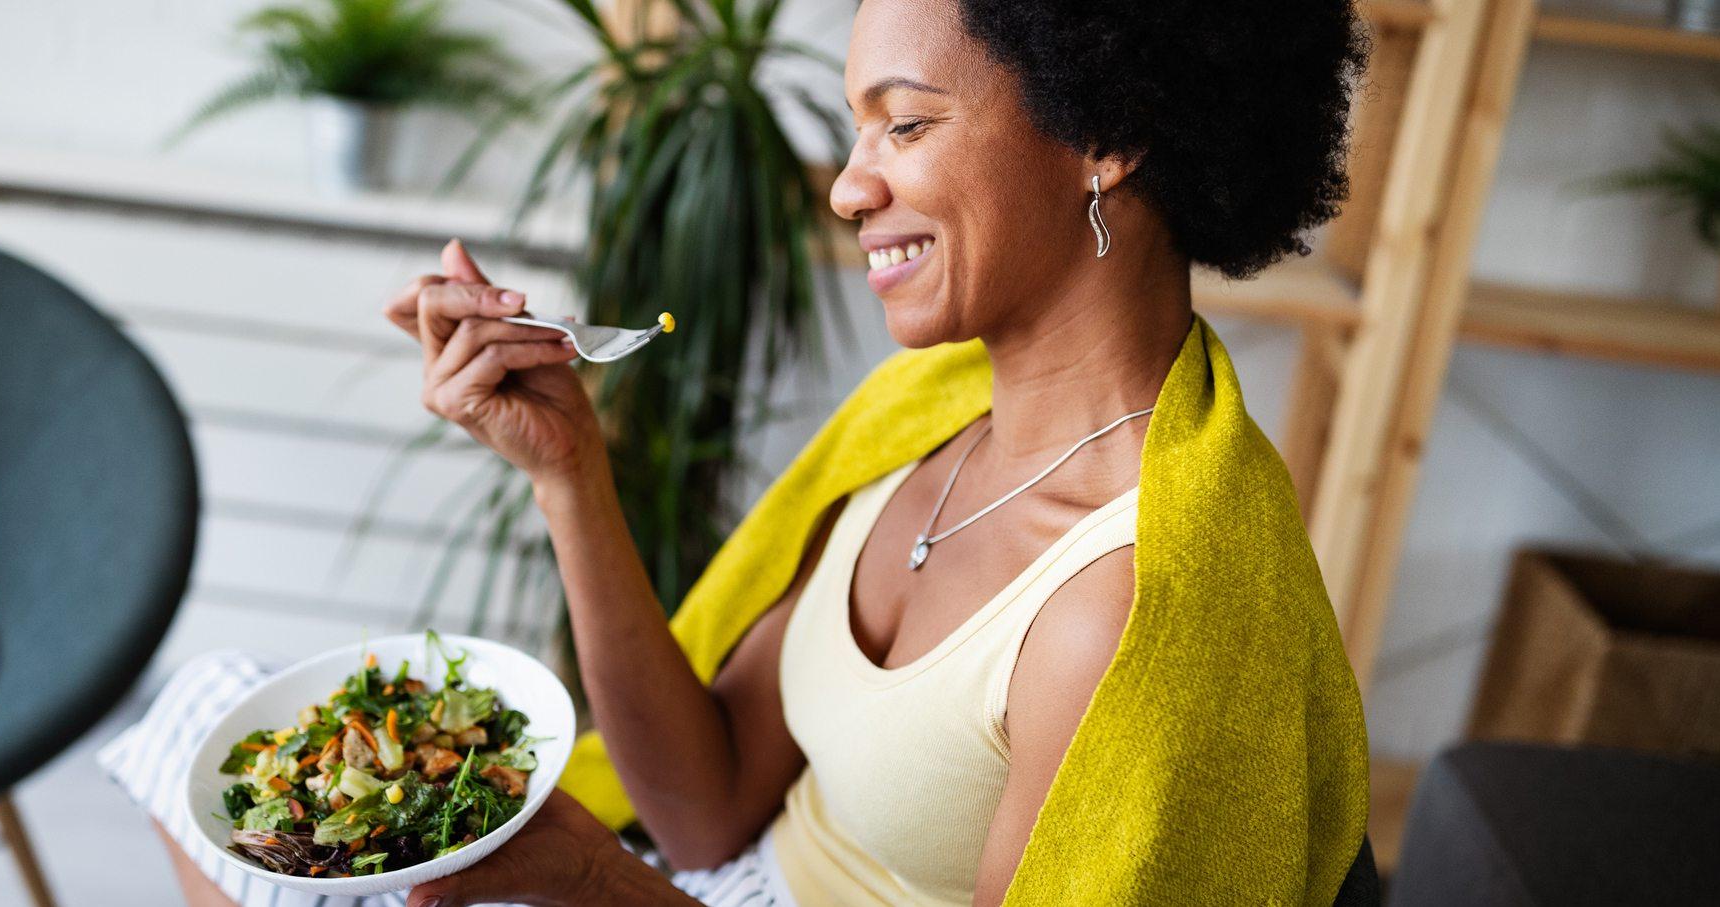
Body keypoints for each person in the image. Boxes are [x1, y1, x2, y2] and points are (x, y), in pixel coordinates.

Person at [101, 0, 1372, 903]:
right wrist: (568, 471)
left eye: (907, 126)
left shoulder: (1128, 610)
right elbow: (703, 807)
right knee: (208, 720)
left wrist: (594, 881)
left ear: (1109, 134)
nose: (848, 187)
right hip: (713, 879)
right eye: (855, 129)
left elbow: (661, 852)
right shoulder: (923, 421)